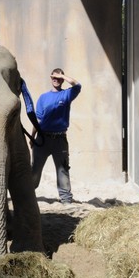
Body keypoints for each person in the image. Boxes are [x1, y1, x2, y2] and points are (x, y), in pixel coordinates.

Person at [31, 68, 82, 204]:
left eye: (58, 77)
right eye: (53, 77)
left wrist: (63, 76)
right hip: (42, 139)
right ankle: (28, 196)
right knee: (34, 170)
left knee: (63, 170)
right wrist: (32, 137)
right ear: (50, 78)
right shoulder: (43, 97)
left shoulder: (67, 95)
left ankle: (66, 200)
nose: (56, 79)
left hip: (60, 140)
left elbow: (77, 85)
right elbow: (38, 120)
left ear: (62, 79)